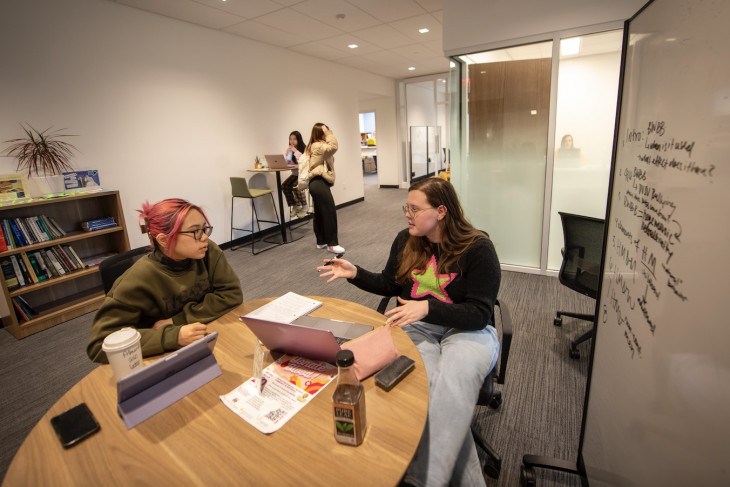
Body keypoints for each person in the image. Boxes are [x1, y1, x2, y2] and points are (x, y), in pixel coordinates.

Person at [316, 177, 501, 487]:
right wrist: (355, 273)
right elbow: (390, 284)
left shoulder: (478, 248)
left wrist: (428, 307)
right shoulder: (407, 240)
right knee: (426, 390)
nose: (407, 214)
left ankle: (423, 480)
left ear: (441, 211)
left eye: (415, 209)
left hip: (469, 329)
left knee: (453, 381)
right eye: (407, 207)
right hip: (419, 327)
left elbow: (480, 313)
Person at [87, 198, 243, 363]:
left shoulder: (207, 252)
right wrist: (173, 336)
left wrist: (177, 321)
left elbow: (231, 293)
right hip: (160, 359)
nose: (204, 237)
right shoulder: (135, 280)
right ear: (164, 240)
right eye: (195, 231)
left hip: (201, 341)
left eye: (205, 229)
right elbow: (100, 344)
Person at [302, 122, 344, 254]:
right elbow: (334, 146)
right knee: (329, 212)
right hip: (319, 182)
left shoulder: (313, 146)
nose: (328, 133)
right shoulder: (318, 146)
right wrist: (328, 132)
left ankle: (321, 241)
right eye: (325, 131)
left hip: (316, 183)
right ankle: (332, 244)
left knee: (320, 213)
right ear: (321, 133)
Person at [282, 130, 308, 218]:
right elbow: (288, 163)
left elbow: (302, 162)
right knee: (284, 185)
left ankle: (304, 207)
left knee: (295, 186)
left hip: (304, 174)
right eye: (290, 139)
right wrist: (286, 154)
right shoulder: (290, 151)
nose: (292, 141)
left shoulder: (304, 149)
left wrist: (296, 151)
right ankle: (295, 206)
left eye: (294, 139)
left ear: (299, 140)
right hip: (295, 174)